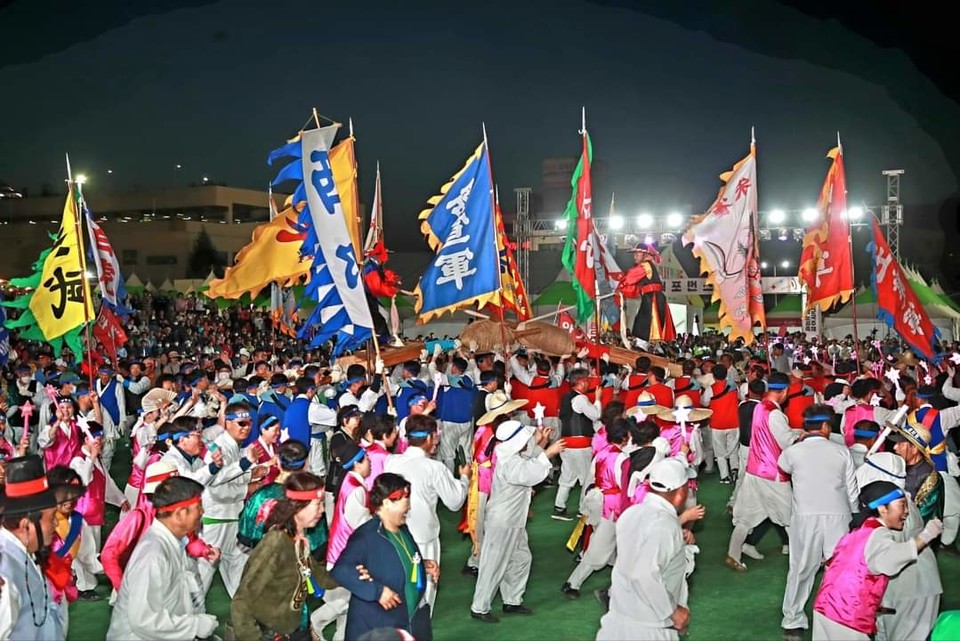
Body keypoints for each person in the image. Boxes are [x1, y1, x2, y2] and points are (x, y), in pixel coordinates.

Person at [811, 480, 943, 641]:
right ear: (882, 508)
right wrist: (927, 535)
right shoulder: (878, 534)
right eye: (902, 505)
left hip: (825, 608)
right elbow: (891, 560)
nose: (907, 511)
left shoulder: (860, 530)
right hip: (847, 615)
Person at [470, 420, 565, 622]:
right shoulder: (510, 462)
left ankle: (512, 600)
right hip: (503, 521)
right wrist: (548, 452)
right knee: (493, 565)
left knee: (521, 558)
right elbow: (530, 473)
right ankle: (479, 607)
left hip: (513, 519)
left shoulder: (508, 455)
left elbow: (527, 461)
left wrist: (541, 444)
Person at [780, 405, 859, 640]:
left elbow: (783, 467)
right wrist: (854, 515)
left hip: (806, 515)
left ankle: (792, 619)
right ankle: (839, 615)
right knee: (838, 568)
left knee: (801, 568)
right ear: (826, 426)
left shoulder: (793, 452)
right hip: (839, 513)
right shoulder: (841, 451)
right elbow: (851, 489)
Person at [107, 476, 218, 640]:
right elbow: (142, 621)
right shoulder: (152, 554)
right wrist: (195, 625)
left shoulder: (172, 541)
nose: (202, 512)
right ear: (180, 513)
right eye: (198, 507)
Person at [231, 472, 339, 641]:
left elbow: (319, 575)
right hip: (274, 633)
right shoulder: (276, 542)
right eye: (318, 504)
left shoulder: (299, 540)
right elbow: (242, 601)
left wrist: (353, 573)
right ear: (298, 506)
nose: (322, 510)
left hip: (295, 626)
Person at [331, 473, 436, 641]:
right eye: (405, 500)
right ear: (387, 502)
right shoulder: (366, 536)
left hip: (409, 619)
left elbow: (396, 559)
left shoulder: (401, 529)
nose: (408, 507)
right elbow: (341, 570)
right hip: (380, 628)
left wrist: (421, 565)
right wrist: (377, 592)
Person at [596, 458, 692, 641]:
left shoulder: (631, 514)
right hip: (649, 628)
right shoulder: (665, 525)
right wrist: (672, 610)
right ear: (680, 493)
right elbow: (644, 573)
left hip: (617, 619)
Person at [384, 413, 469, 613]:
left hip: (393, 535)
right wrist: (464, 479)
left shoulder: (392, 462)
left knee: (397, 592)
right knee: (423, 594)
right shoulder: (434, 468)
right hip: (423, 538)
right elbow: (455, 502)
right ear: (430, 437)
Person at [855, 452, 943, 641]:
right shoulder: (894, 504)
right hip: (895, 590)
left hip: (912, 589)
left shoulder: (898, 510)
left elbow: (886, 555)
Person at [726, 372, 798, 571]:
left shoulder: (759, 406)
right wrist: (801, 437)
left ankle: (733, 553)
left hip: (754, 470)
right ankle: (802, 557)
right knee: (791, 517)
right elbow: (787, 442)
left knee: (746, 517)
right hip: (772, 473)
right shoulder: (775, 414)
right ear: (784, 391)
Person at [198, 402, 269, 597]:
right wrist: (250, 486)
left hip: (232, 517)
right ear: (227, 423)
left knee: (238, 565)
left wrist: (251, 474)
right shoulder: (219, 447)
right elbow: (216, 488)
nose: (247, 428)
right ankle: (189, 617)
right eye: (241, 423)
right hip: (218, 518)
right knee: (205, 570)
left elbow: (232, 476)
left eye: (249, 423)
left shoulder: (235, 446)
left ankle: (242, 616)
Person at [561, 418, 631, 598]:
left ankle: (627, 578)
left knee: (611, 545)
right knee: (600, 549)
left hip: (597, 500)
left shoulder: (602, 452)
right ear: (625, 437)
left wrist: (585, 503)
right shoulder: (622, 458)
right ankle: (572, 583)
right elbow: (623, 484)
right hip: (612, 505)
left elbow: (591, 479)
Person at [312, 439, 373, 641]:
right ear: (357, 463)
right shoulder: (355, 489)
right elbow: (362, 526)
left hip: (341, 552)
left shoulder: (350, 482)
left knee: (348, 607)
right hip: (345, 556)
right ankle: (314, 624)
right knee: (343, 604)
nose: (370, 463)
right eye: (366, 460)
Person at [0, 455, 64, 640]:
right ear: (26, 525)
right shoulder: (5, 572)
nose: (55, 525)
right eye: (51, 518)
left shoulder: (24, 553)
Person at [555, 368, 601, 521]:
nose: (589, 383)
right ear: (581, 382)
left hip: (566, 442)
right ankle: (584, 509)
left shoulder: (565, 397)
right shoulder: (581, 399)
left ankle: (559, 507)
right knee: (587, 477)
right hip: (580, 444)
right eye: (587, 380)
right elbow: (596, 415)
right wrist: (598, 399)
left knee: (568, 475)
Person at [617, 243, 676, 348]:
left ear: (644, 254)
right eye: (634, 254)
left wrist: (618, 284)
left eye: (637, 253)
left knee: (645, 320)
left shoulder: (645, 265)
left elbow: (630, 278)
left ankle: (643, 344)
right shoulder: (648, 265)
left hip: (652, 297)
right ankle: (652, 346)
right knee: (647, 320)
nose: (634, 256)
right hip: (653, 296)